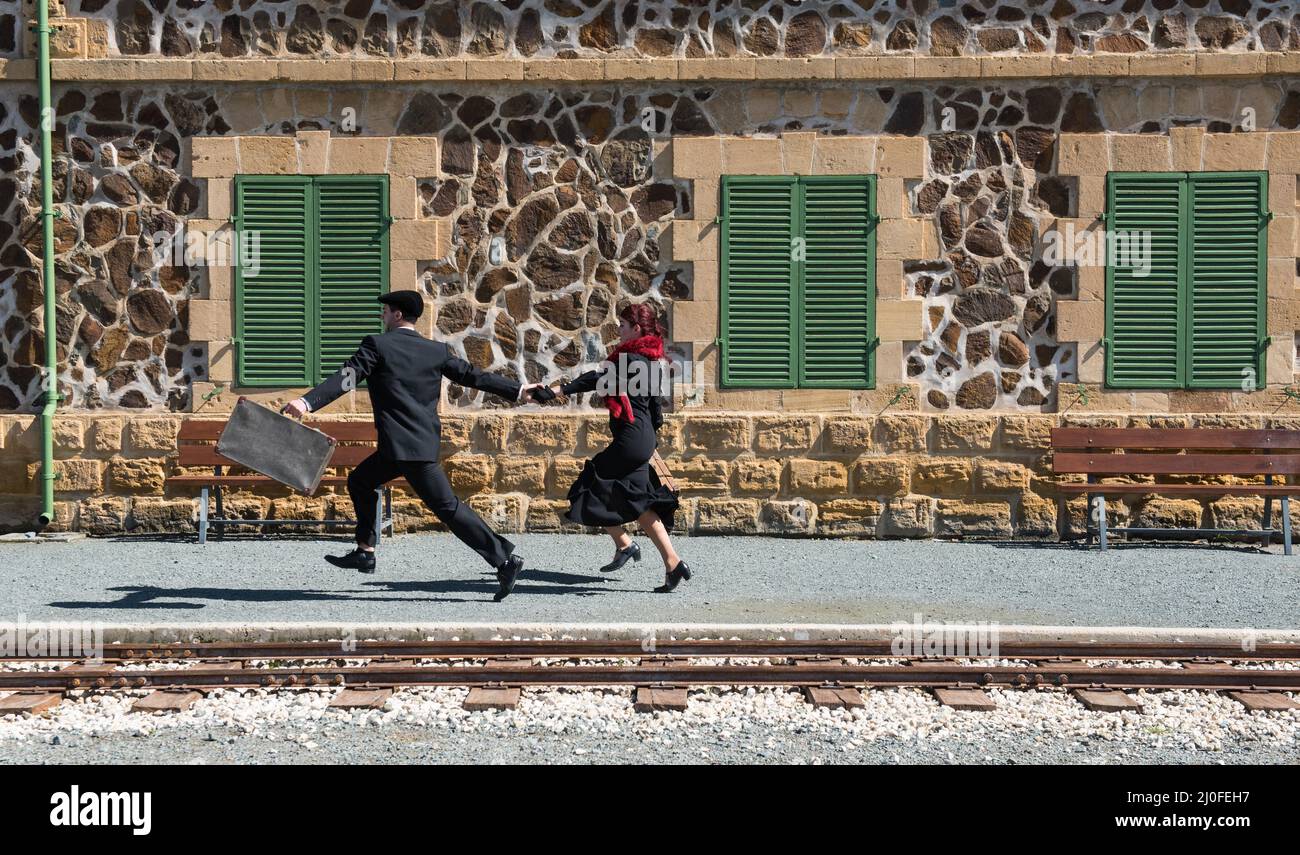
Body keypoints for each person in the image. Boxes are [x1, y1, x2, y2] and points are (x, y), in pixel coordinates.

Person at [282, 290, 532, 602]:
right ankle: (365, 550)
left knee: (447, 508)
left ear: (398, 315)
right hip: (406, 447)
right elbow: (473, 377)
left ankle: (504, 561)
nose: (382, 316)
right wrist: (518, 390)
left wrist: (306, 402)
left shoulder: (377, 345)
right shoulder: (435, 351)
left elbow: (346, 378)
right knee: (360, 481)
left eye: (385, 311)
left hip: (408, 452)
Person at [529, 304, 691, 593]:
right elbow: (655, 410)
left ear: (636, 329)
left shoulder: (631, 359)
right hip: (641, 438)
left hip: (631, 439)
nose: (618, 329)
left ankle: (625, 544)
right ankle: (673, 562)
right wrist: (648, 442)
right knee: (640, 503)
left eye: (623, 325)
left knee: (586, 486)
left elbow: (596, 378)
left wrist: (558, 390)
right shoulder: (653, 360)